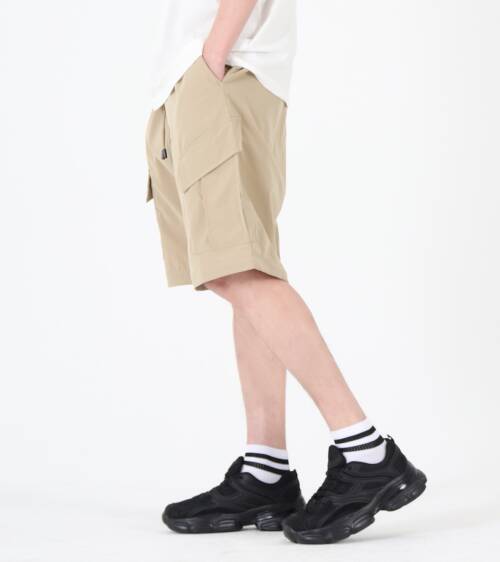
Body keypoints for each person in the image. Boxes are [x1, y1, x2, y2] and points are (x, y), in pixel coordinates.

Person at [145, 0, 426, 545]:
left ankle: (367, 452)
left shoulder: (219, 67)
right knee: (242, 270)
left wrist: (212, 56)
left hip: (223, 71)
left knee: (237, 268)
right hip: (207, 75)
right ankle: (266, 471)